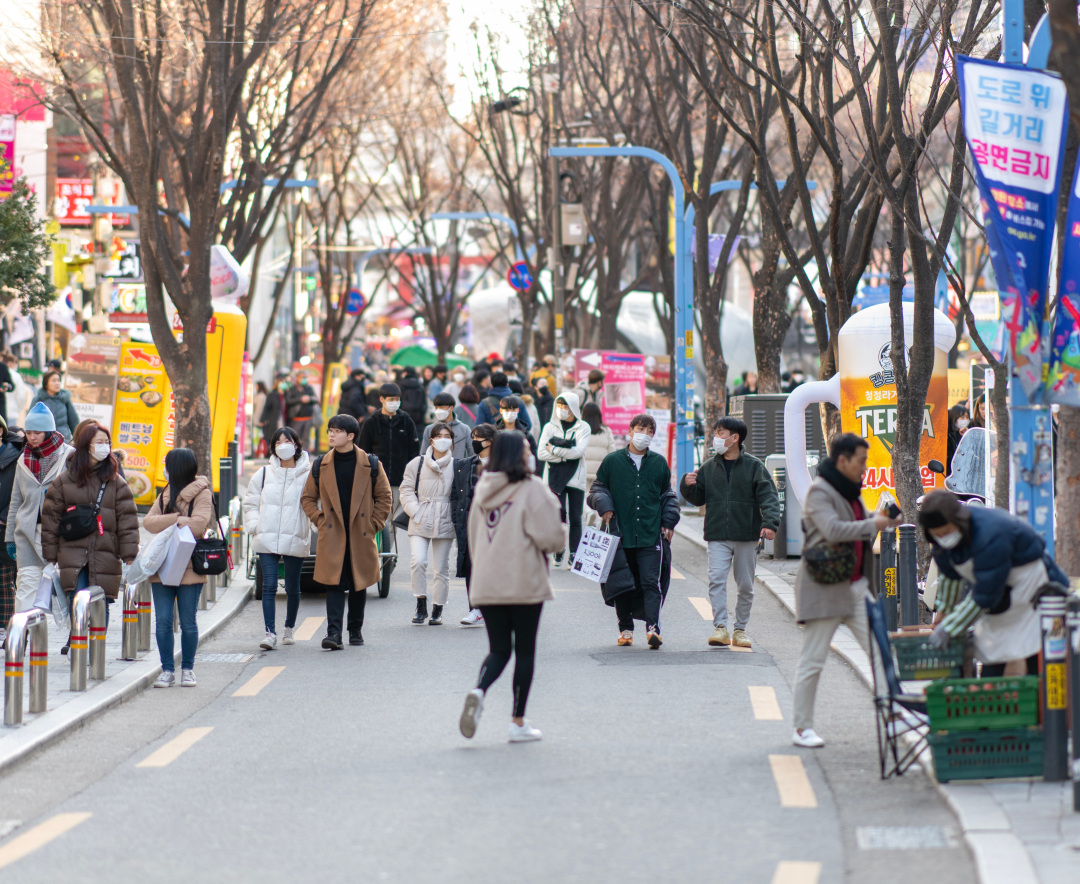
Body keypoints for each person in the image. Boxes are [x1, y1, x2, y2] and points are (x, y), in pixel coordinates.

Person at [792, 433, 902, 748]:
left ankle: (892, 715)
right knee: (813, 660)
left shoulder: (850, 490)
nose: (865, 468)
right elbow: (833, 530)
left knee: (881, 651)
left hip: (856, 587)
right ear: (843, 460)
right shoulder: (820, 492)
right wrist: (877, 524)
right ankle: (802, 728)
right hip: (824, 588)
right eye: (861, 461)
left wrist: (885, 519)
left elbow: (860, 520)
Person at [459, 431, 565, 743]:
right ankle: (517, 721)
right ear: (518, 455)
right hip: (523, 580)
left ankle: (478, 690)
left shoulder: (483, 489)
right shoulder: (532, 488)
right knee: (525, 651)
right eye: (527, 449)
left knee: (499, 649)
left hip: (487, 581)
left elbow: (474, 539)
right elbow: (551, 538)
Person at [920, 490, 1068, 677]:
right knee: (991, 647)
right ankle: (993, 691)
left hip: (1030, 586)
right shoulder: (942, 543)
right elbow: (951, 576)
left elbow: (985, 596)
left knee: (1031, 645)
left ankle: (1035, 696)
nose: (944, 537)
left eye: (947, 532)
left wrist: (950, 627)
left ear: (959, 522)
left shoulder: (990, 534)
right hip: (998, 594)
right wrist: (944, 611)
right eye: (937, 534)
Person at [680, 417, 781, 648]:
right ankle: (721, 628)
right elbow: (697, 499)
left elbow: (769, 497)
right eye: (716, 432)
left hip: (746, 534)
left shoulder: (754, 466)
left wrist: (770, 523)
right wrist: (687, 485)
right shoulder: (708, 467)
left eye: (721, 432)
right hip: (717, 534)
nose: (716, 437)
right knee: (716, 579)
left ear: (735, 438)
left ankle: (741, 629)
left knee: (745, 584)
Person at [41, 424, 140, 653]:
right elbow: (50, 519)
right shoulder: (64, 481)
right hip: (73, 553)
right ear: (86, 446)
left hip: (105, 552)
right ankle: (79, 649)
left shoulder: (117, 482)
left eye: (107, 442)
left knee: (100, 604)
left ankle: (95, 655)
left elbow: (128, 521)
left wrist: (129, 555)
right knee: (78, 601)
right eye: (99, 442)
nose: (105, 447)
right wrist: (50, 555)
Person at [301, 414, 393, 649]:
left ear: (351, 436)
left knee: (358, 583)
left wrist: (374, 524)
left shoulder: (371, 464)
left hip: (360, 532)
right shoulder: (320, 464)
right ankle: (333, 634)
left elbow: (384, 497)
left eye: (337, 431)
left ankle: (355, 630)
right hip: (332, 533)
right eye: (329, 430)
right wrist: (319, 519)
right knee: (333, 583)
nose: (331, 434)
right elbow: (308, 498)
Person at [588, 414, 672, 649]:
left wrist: (669, 521)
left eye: (648, 430)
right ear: (630, 430)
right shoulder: (612, 461)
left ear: (653, 435)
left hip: (649, 534)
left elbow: (667, 495)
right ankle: (625, 629)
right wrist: (604, 506)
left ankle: (653, 628)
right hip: (621, 534)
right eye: (640, 428)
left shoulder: (658, 463)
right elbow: (597, 489)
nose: (643, 433)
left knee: (650, 582)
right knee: (623, 583)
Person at [244, 427, 312, 650]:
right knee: (270, 585)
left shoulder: (309, 473)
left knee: (292, 587)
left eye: (288, 440)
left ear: (296, 444)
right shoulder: (263, 473)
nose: (283, 445)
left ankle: (289, 628)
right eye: (278, 442)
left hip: (295, 534)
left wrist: (312, 524)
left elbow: (315, 502)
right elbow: (250, 502)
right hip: (267, 535)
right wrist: (255, 525)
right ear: (273, 447)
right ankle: (269, 633)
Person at [7, 403, 75, 615]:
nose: (32, 437)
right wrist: (10, 536)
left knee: (61, 590)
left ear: (49, 431)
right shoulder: (22, 460)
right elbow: (15, 501)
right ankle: (23, 639)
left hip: (59, 534)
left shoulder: (68, 456)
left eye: (37, 432)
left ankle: (74, 634)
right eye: (28, 432)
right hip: (26, 533)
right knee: (26, 587)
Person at [400, 424, 457, 626]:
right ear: (431, 440)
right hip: (420, 516)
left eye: (447, 436)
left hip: (445, 517)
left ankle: (437, 609)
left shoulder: (457, 464)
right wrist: (416, 511)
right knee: (418, 561)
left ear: (452, 440)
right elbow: (405, 489)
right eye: (438, 436)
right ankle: (421, 604)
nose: (443, 439)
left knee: (441, 568)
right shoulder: (417, 463)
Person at [356, 383, 419, 555]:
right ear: (382, 399)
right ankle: (373, 555)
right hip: (375, 481)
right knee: (375, 520)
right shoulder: (371, 423)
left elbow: (414, 452)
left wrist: (412, 478)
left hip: (400, 480)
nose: (395, 403)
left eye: (397, 400)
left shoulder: (406, 421)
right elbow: (363, 452)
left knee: (391, 523)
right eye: (391, 400)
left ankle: (385, 559)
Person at [537, 392, 591, 567]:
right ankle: (559, 549)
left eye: (565, 406)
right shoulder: (549, 427)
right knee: (558, 515)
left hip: (576, 477)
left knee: (575, 518)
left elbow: (578, 452)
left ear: (573, 407)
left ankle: (574, 553)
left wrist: (554, 450)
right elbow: (540, 453)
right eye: (559, 406)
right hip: (553, 478)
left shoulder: (583, 427)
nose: (561, 410)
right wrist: (564, 456)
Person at [452, 423, 497, 628]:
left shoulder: (503, 466)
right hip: (469, 523)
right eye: (473, 437)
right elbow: (455, 495)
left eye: (478, 438)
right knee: (471, 567)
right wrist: (456, 519)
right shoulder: (464, 465)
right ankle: (475, 608)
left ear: (490, 441)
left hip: (495, 527)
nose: (474, 442)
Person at [0, 418, 25, 643]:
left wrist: (4, 517)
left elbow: (19, 493)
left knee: (5, 580)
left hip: (5, 527)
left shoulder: (16, 457)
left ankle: (7, 626)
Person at [32, 370, 80, 441]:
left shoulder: (65, 399)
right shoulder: (38, 400)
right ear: (46, 384)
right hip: (44, 441)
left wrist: (78, 440)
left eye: (58, 380)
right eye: (54, 381)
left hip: (63, 440)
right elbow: (32, 422)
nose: (57, 383)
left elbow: (74, 422)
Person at [421, 393, 472, 459]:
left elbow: (472, 452)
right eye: (436, 408)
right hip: (435, 468)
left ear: (451, 408)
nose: (438, 410)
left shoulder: (464, 429)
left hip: (458, 467)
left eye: (441, 408)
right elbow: (423, 454)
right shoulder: (429, 429)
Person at [285, 370, 318, 450]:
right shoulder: (292, 389)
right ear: (297, 378)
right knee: (295, 438)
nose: (304, 379)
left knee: (306, 439)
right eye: (302, 377)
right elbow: (288, 401)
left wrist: (309, 399)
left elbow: (315, 399)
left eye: (305, 377)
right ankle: (295, 455)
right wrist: (300, 399)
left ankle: (305, 455)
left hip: (308, 418)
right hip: (296, 418)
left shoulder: (309, 388)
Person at [260, 373, 288, 445]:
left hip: (283, 419)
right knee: (273, 437)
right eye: (282, 383)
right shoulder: (272, 395)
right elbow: (266, 407)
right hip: (273, 419)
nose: (283, 384)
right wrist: (262, 420)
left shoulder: (285, 395)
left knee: (282, 437)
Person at [946, 404, 970, 474]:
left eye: (967, 417)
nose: (965, 420)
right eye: (962, 417)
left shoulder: (969, 432)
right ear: (954, 418)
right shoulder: (948, 435)